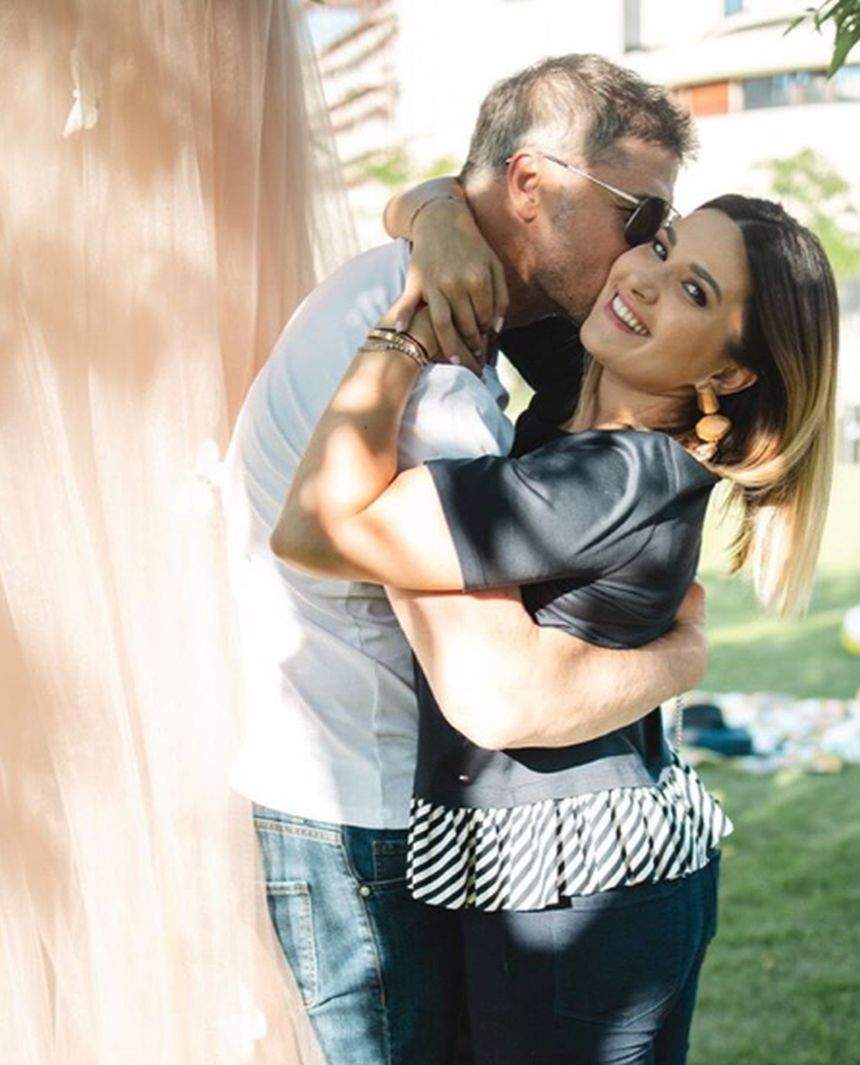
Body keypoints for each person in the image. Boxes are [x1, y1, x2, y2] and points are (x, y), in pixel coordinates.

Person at [273, 191, 838, 1064]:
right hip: (560, 880)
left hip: (581, 906)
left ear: (729, 376)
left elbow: (316, 526)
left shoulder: (616, 477)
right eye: (661, 245)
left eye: (694, 291)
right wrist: (440, 226)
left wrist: (406, 334)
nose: (644, 280)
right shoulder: (590, 379)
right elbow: (473, 209)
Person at [223, 55, 707, 1065]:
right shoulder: (434, 369)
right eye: (639, 216)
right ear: (532, 185)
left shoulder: (448, 298)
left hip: (353, 795)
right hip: (365, 822)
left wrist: (435, 209)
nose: (641, 252)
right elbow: (498, 693)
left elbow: (439, 199)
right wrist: (682, 654)